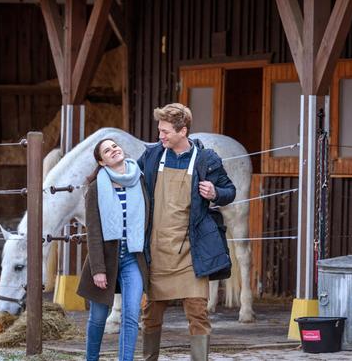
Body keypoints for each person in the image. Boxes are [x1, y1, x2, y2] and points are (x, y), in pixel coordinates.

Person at [138, 103, 236, 361]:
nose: (160, 136)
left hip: (191, 253)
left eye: (165, 131)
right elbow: (130, 180)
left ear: (183, 131)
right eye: (160, 130)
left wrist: (215, 193)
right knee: (150, 315)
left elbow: (229, 191)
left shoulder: (207, 160)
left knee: (198, 314)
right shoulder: (151, 156)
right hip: (157, 251)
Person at [77, 138, 149, 361]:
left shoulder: (140, 179)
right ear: (102, 161)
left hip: (132, 258)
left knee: (130, 316)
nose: (114, 151)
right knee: (98, 318)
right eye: (107, 151)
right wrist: (98, 269)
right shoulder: (96, 187)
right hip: (105, 260)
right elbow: (94, 231)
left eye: (115, 146)